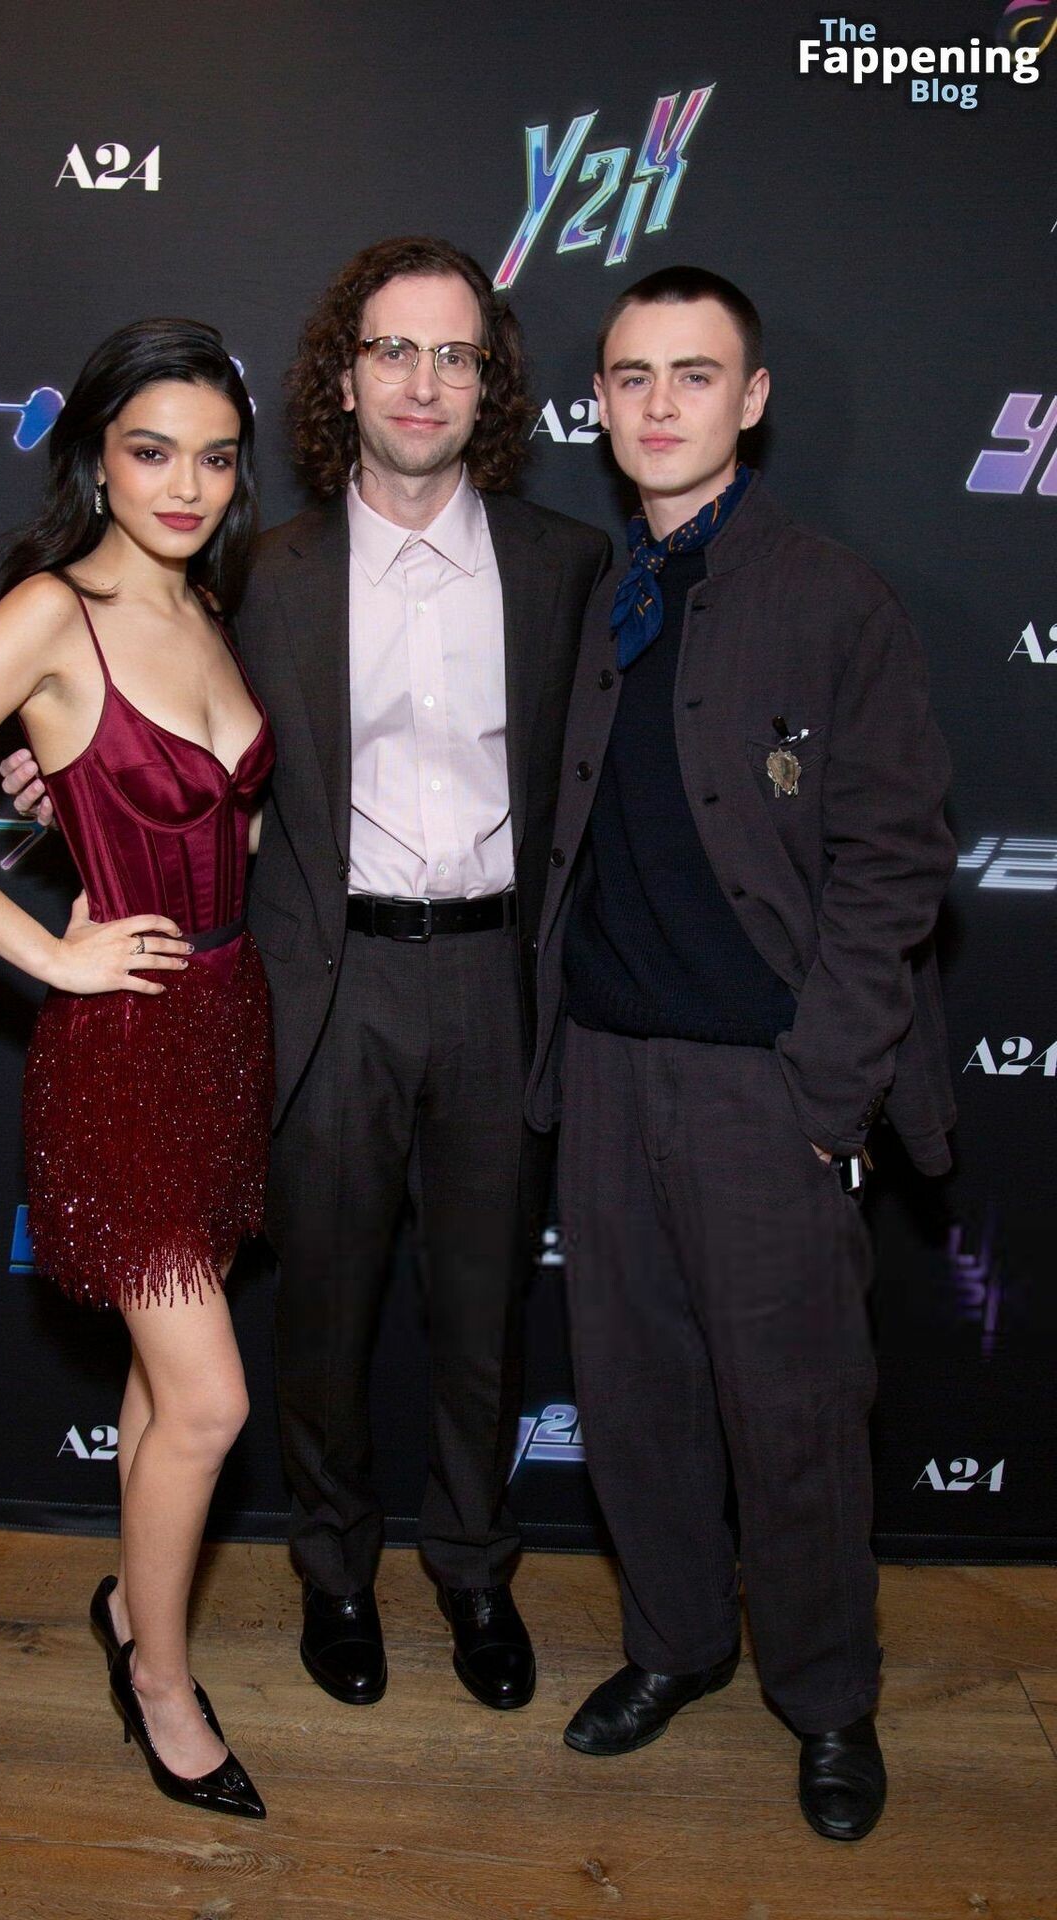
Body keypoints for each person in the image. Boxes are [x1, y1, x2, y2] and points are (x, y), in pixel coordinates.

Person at [5, 237, 611, 1711]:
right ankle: (334, 1574)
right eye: (394, 350)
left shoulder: (566, 567)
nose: (423, 381)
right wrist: (62, 785)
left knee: (484, 1316)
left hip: (498, 983)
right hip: (324, 990)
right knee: (322, 1315)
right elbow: (179, 751)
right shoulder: (258, 577)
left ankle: (474, 1571)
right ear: (345, 377)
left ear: (490, 382)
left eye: (455, 355)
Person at [525, 267, 956, 1841]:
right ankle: (678, 1645)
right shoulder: (593, 595)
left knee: (797, 1420)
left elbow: (895, 862)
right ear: (600, 401)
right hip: (605, 1068)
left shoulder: (836, 598)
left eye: (694, 375)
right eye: (631, 377)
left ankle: (828, 1700)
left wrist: (826, 1090)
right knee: (633, 1399)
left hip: (765, 1085)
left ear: (753, 399)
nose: (659, 405)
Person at [0, 319, 272, 1820]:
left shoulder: (209, 604)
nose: (186, 486)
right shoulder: (53, 611)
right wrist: (50, 951)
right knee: (211, 1402)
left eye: (215, 458)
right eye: (153, 452)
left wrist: (74, 805)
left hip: (228, 1025)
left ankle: (130, 1610)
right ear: (96, 455)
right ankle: (158, 1678)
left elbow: (202, 812)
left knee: (167, 1385)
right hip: (124, 1048)